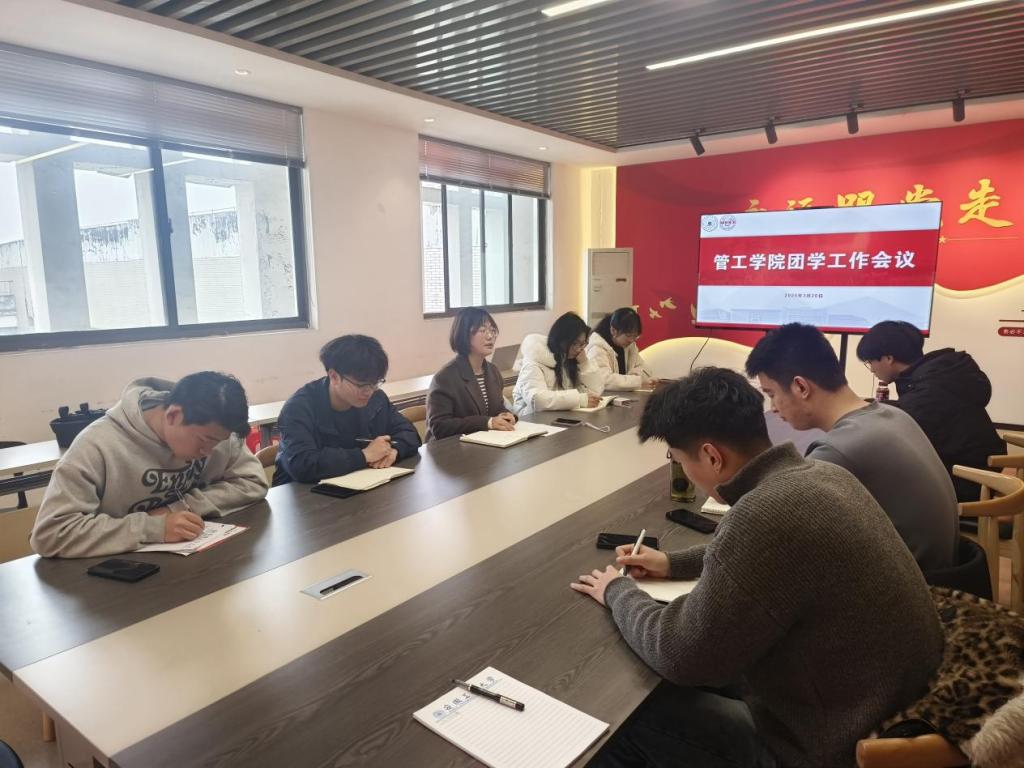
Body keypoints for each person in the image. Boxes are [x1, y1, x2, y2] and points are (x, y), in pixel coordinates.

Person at [571, 368, 943, 768]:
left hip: (830, 746)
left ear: (712, 456)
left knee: (623, 722)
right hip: (889, 708)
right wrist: (671, 562)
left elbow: (679, 654)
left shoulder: (765, 513)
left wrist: (618, 592)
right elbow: (763, 558)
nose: (684, 473)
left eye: (677, 460)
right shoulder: (822, 475)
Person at [745, 322, 958, 572]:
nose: (773, 408)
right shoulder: (893, 415)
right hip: (945, 574)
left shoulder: (837, 451)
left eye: (771, 394)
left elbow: (780, 534)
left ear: (800, 387)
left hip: (911, 588)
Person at [31, 373, 268, 559]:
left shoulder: (215, 426)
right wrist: (153, 528)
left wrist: (178, 508)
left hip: (194, 563)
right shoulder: (96, 447)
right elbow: (51, 534)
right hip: (114, 580)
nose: (208, 452)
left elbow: (252, 481)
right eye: (205, 441)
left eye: (218, 442)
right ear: (173, 415)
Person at [857, 320, 1005, 502]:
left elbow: (906, 417)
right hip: (976, 467)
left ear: (888, 358)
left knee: (869, 483)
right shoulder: (938, 375)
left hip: (965, 479)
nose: (872, 369)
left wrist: (859, 408)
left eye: (870, 362)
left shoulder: (930, 387)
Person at [274, 334, 420, 485]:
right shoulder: (297, 409)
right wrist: (364, 456)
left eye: (375, 383)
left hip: (359, 485)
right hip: (302, 492)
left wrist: (394, 450)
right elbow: (302, 464)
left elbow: (410, 433)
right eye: (361, 385)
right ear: (334, 377)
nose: (369, 391)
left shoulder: (376, 398)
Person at [425, 308, 517, 441]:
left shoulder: (493, 371)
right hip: (450, 448)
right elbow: (439, 426)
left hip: (486, 443)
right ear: (464, 334)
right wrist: (487, 422)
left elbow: (496, 408)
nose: (490, 336)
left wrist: (507, 415)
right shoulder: (445, 378)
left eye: (492, 330)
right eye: (482, 330)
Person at [511, 311, 603, 415]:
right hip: (531, 420)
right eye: (574, 343)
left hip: (559, 416)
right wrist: (579, 399)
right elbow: (537, 399)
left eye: (582, 344)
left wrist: (585, 364)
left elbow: (595, 392)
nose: (578, 349)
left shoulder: (569, 359)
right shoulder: (533, 362)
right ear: (560, 339)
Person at [586, 307, 655, 391]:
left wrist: (635, 377)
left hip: (623, 395)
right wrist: (636, 381)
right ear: (613, 331)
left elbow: (643, 369)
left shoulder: (630, 345)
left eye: (635, 336)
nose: (631, 340)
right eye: (628, 335)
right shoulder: (597, 347)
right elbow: (604, 380)